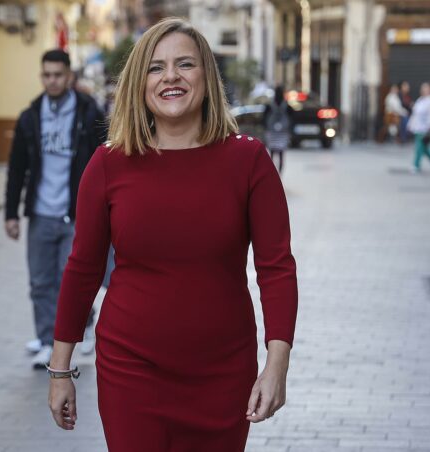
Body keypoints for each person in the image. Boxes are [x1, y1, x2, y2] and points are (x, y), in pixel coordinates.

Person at [46, 18, 298, 451]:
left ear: (206, 76)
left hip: (223, 372)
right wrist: (60, 369)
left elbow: (276, 269)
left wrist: (277, 366)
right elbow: (83, 269)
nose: (171, 77)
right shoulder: (108, 164)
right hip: (131, 369)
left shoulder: (249, 161)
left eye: (185, 64)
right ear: (140, 83)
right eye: (156, 67)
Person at [4, 49, 109, 369]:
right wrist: (11, 213)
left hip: (76, 214)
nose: (52, 81)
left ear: (69, 76)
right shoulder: (31, 116)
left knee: (71, 281)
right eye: (47, 75)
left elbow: (106, 160)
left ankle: (81, 325)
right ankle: (47, 341)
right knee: (40, 282)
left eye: (58, 75)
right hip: (40, 213)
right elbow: (17, 167)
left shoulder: (88, 112)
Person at [407, 82, 430, 172]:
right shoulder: (420, 100)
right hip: (418, 127)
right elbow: (415, 114)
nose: (424, 90)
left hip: (427, 128)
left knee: (419, 147)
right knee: (424, 148)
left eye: (426, 88)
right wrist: (410, 125)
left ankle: (416, 165)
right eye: (423, 89)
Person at [263, 85, 292, 173]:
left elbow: (264, 118)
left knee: (272, 153)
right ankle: (279, 173)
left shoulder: (270, 105)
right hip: (283, 132)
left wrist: (266, 128)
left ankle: (272, 173)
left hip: (272, 132)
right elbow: (292, 118)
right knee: (281, 154)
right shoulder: (287, 105)